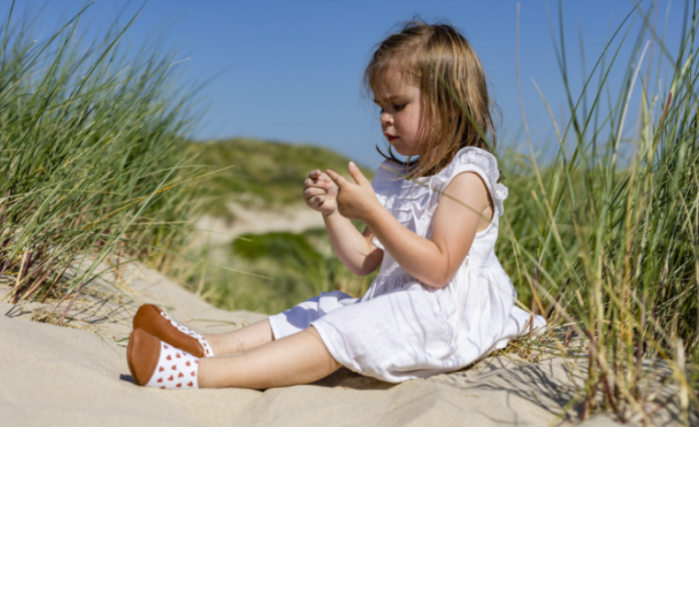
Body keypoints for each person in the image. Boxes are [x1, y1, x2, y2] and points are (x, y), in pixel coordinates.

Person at [126, 20, 546, 390]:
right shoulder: (396, 176)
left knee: (347, 327)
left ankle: (198, 375)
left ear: (450, 101)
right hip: (404, 301)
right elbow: (364, 261)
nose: (385, 117)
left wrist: (374, 213)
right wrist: (334, 212)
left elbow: (438, 269)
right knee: (325, 305)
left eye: (398, 105)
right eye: (381, 106)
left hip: (447, 316)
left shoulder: (467, 177)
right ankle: (211, 346)